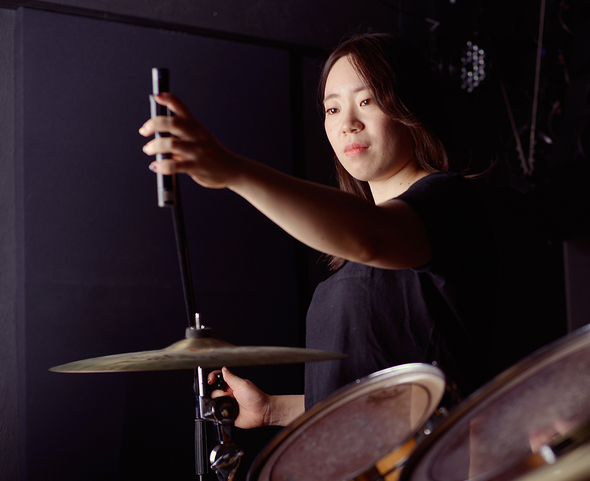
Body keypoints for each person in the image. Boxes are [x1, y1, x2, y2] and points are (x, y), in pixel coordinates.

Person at [139, 32, 496, 428]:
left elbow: (370, 237)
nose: (348, 124)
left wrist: (234, 171)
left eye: (367, 101)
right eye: (332, 109)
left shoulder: (448, 201)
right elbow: (365, 404)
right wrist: (271, 409)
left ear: (408, 105)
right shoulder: (352, 263)